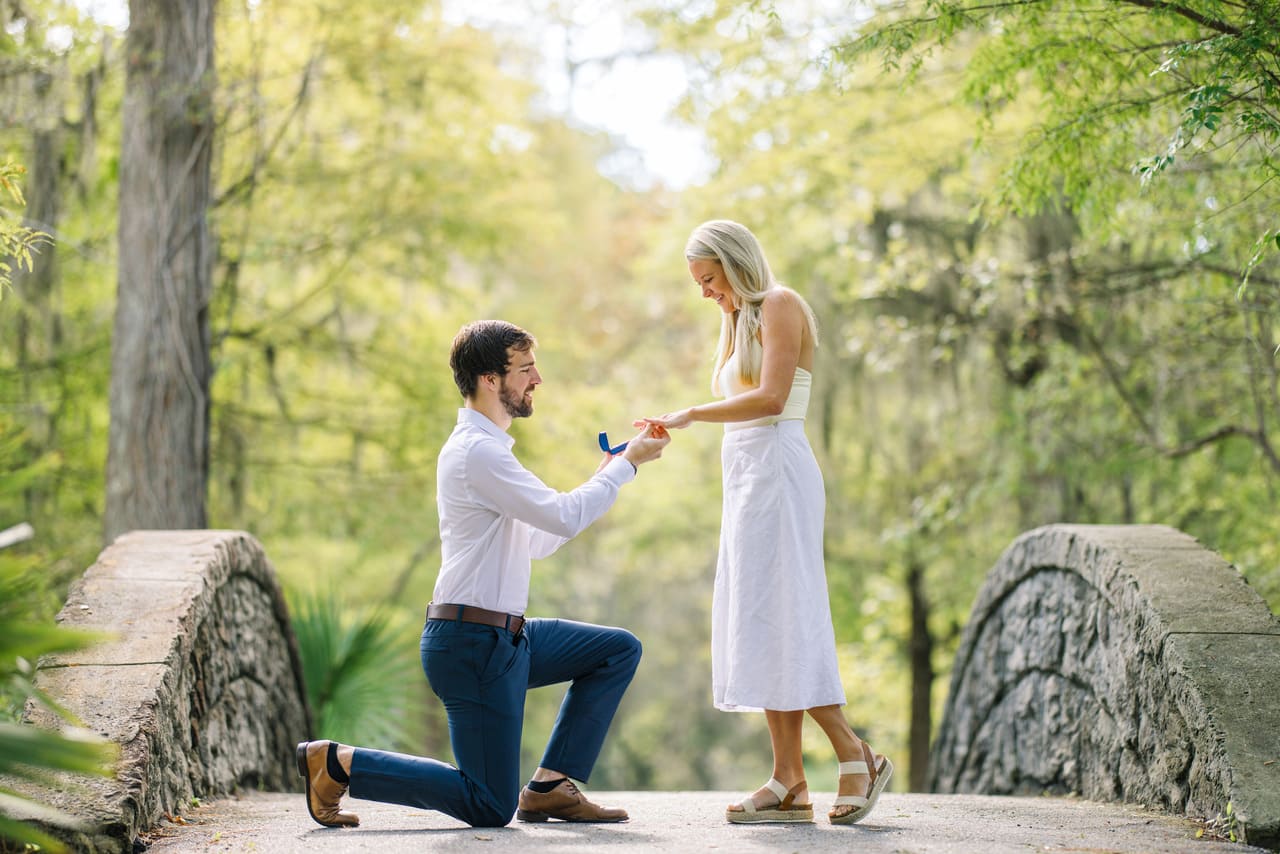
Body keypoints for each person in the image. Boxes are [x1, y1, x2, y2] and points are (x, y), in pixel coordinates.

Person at [297, 319, 671, 829]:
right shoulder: (478, 452)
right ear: (490, 380)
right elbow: (563, 516)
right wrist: (627, 467)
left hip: (507, 638)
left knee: (616, 650)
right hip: (471, 645)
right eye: (525, 369)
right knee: (488, 805)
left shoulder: (489, 451)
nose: (537, 379)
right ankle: (339, 764)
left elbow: (541, 539)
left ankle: (549, 787)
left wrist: (609, 471)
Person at [638, 220, 892, 826]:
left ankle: (855, 753)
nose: (706, 293)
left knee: (788, 615)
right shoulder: (736, 321)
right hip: (746, 478)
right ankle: (788, 780)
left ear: (735, 263)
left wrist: (692, 413)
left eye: (709, 279)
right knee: (760, 619)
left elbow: (773, 398)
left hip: (778, 469)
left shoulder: (780, 304)